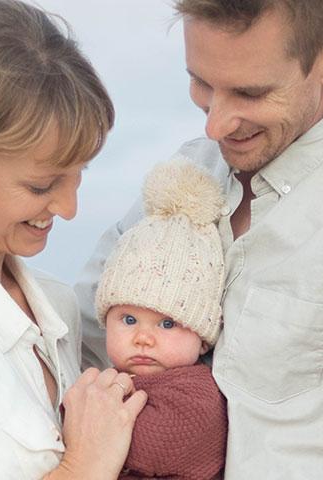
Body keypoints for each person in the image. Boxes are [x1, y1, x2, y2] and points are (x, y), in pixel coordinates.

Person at [75, 1, 323, 479]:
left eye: (250, 92)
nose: (214, 126)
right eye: (202, 83)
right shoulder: (183, 174)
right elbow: (78, 333)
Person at [0, 0, 147, 479]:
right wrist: (84, 464)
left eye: (79, 174)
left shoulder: (59, 305)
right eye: (41, 185)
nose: (69, 209)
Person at [95, 159, 228, 479]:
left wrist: (81, 417)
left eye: (167, 324)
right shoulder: (117, 377)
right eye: (128, 319)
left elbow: (156, 448)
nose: (143, 337)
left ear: (202, 339)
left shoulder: (198, 394)